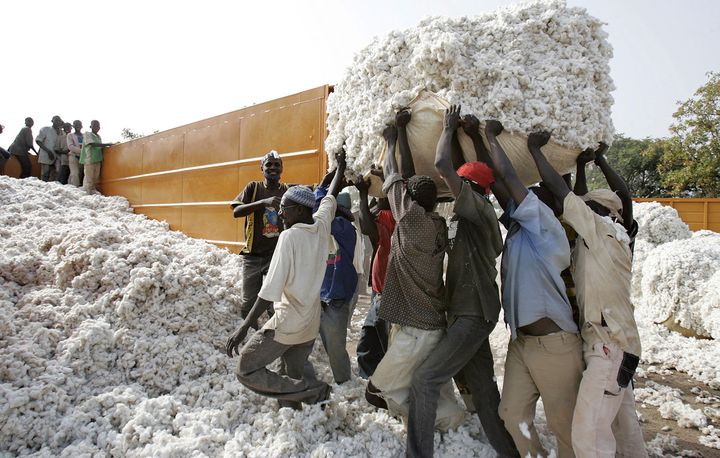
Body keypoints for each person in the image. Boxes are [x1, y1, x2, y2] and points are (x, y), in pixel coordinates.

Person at [402, 106, 519, 458]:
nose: (452, 191)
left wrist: (449, 127)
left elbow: (441, 165)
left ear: (472, 188)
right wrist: (464, 137)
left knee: (425, 380)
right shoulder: (471, 215)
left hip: (471, 314)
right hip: (471, 313)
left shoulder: (479, 210)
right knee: (483, 394)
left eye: (460, 186)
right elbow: (453, 171)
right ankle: (509, 451)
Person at [526, 135, 646, 458]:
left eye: (588, 204)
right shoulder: (621, 236)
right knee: (625, 429)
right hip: (622, 347)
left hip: (607, 350)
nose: (582, 206)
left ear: (598, 212)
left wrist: (536, 151)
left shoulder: (598, 230)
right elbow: (623, 197)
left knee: (587, 437)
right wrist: (593, 162)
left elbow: (566, 194)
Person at [481, 119, 583, 458]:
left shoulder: (545, 227)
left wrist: (491, 136)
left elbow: (510, 180)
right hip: (522, 343)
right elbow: (499, 186)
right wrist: (474, 141)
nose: (512, 203)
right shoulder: (521, 232)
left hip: (554, 345)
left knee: (564, 426)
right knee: (512, 414)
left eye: (520, 201)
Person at [366, 109, 464, 434]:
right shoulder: (435, 224)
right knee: (429, 386)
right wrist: (404, 135)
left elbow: (395, 174)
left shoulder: (408, 221)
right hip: (429, 323)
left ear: (407, 201)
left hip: (418, 331)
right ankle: (449, 422)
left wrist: (392, 137)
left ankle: (422, 423)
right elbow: (404, 179)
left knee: (376, 391)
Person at [225, 152, 347, 409]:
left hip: (287, 325)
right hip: (309, 326)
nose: (280, 213)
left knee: (245, 369)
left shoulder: (289, 238)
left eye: (284, 209)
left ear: (300, 209)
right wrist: (340, 167)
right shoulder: (322, 223)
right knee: (288, 375)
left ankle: (313, 391)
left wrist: (244, 328)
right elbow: (330, 196)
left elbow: (269, 291)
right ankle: (298, 412)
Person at [231, 151, 288, 326]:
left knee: (275, 303)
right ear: (261, 168)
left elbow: (311, 190)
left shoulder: (286, 190)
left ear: (281, 169)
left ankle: (274, 338)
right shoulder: (253, 188)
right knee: (248, 304)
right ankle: (250, 335)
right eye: (268, 164)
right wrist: (263, 203)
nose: (272, 168)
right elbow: (236, 211)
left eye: (276, 165)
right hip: (253, 256)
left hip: (275, 256)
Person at [313, 176, 357, 384]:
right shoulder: (324, 228)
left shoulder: (344, 229)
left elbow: (317, 205)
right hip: (321, 297)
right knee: (327, 343)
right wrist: (329, 179)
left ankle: (344, 382)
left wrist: (327, 185)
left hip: (336, 300)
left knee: (335, 347)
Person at [354, 178, 394, 379]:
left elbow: (366, 226)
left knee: (372, 342)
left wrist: (362, 193)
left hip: (385, 292)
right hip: (381, 290)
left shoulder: (388, 216)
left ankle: (379, 383)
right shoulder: (400, 214)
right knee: (375, 340)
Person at [80, 120, 113, 193]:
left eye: (98, 126)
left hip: (97, 159)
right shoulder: (87, 134)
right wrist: (106, 144)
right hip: (89, 159)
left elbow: (100, 147)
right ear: (91, 126)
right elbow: (92, 144)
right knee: (89, 179)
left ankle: (91, 194)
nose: (96, 127)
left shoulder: (98, 136)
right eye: (95, 125)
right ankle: (87, 194)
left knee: (95, 179)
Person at [36, 116, 64, 181]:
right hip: (46, 155)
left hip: (57, 156)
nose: (57, 122)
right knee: (45, 175)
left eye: (59, 121)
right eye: (56, 120)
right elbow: (38, 140)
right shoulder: (45, 129)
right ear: (52, 121)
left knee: (57, 175)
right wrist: (48, 151)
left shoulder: (62, 133)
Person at [67, 120, 85, 186]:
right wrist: (82, 151)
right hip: (73, 156)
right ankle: (75, 189)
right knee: (75, 173)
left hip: (82, 157)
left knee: (78, 174)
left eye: (79, 124)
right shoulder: (70, 135)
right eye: (76, 124)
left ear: (81, 126)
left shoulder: (85, 135)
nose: (78, 126)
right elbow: (70, 146)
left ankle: (69, 187)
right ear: (73, 126)